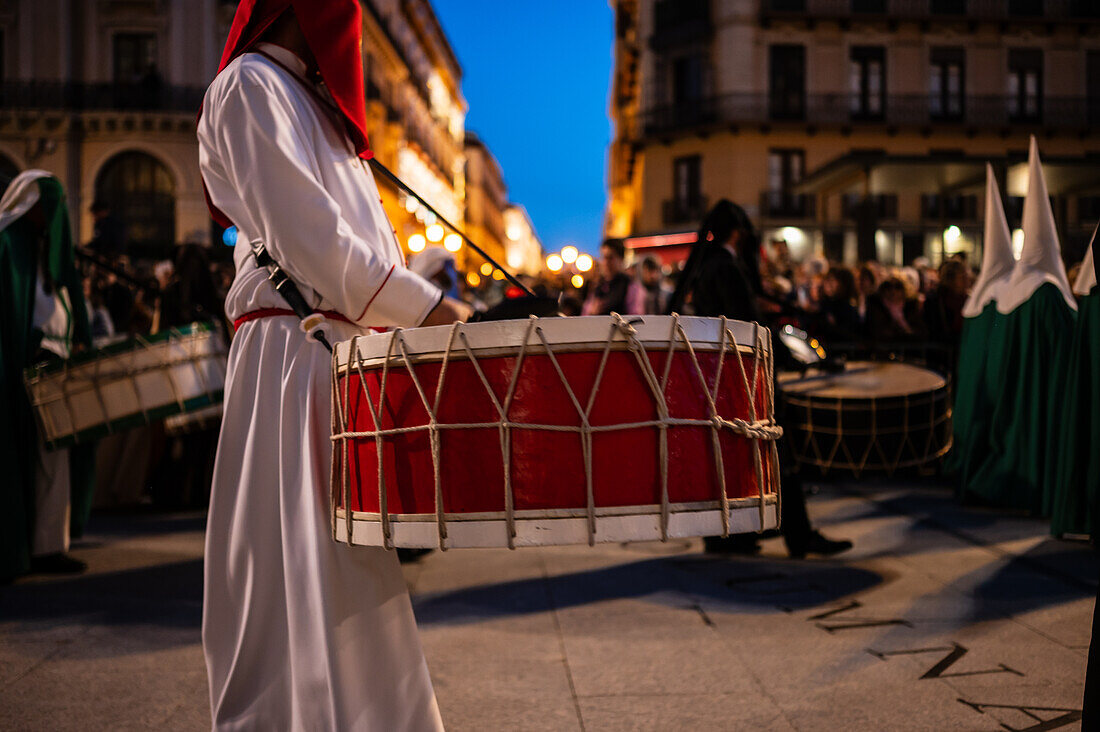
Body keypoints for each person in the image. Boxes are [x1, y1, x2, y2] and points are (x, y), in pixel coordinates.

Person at [198, 3, 468, 728]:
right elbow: (310, 239)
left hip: (334, 357)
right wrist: (429, 309)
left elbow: (361, 250)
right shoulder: (249, 86)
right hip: (294, 355)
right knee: (298, 563)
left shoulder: (316, 110)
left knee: (348, 569)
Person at [668, 199, 852, 558]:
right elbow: (749, 328)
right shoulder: (728, 267)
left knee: (734, 456)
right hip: (743, 380)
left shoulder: (709, 266)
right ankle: (799, 537)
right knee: (782, 456)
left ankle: (730, 537)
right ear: (739, 233)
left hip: (720, 378)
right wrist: (797, 359)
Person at [0, 170, 96, 582]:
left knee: (54, 461)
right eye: (46, 206)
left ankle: (50, 545)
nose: (52, 215)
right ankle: (35, 548)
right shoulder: (9, 245)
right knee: (33, 460)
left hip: (55, 372)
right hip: (24, 371)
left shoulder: (50, 251)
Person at [582, 238, 645, 315]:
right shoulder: (598, 286)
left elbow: (635, 316)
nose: (606, 263)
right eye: (604, 257)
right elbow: (585, 313)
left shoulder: (630, 286)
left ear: (621, 259)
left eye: (610, 258)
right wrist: (592, 312)